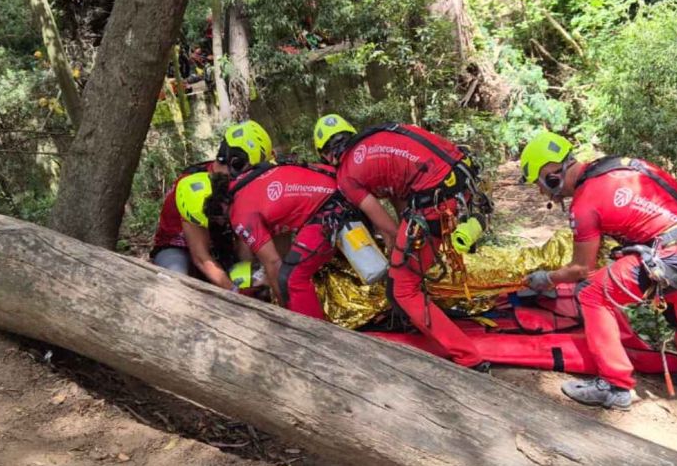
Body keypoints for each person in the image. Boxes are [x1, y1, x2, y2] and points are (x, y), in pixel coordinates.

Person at [518, 131, 677, 410]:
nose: (541, 192)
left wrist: (547, 279)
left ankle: (613, 385)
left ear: (551, 174)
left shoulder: (585, 203)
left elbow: (582, 268)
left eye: (540, 183)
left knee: (592, 293)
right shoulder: (620, 166)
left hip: (674, 252)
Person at [314, 114, 488, 368]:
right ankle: (417, 317)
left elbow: (386, 224)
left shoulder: (347, 175)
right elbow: (401, 202)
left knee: (402, 288)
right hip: (460, 183)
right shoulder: (374, 141)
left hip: (434, 200)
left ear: (325, 155)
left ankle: (469, 358)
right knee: (405, 272)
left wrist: (396, 260)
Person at [176, 162, 346, 319]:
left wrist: (285, 313)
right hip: (337, 188)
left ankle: (315, 335)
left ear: (212, 210)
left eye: (213, 219)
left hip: (330, 210)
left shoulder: (241, 215)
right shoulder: (242, 180)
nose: (218, 224)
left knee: (291, 278)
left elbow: (273, 263)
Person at [150, 121, 274, 288]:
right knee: (176, 282)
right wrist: (234, 292)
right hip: (179, 247)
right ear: (236, 162)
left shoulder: (232, 183)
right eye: (253, 169)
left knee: (251, 277)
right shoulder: (193, 187)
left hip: (220, 243)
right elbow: (201, 258)